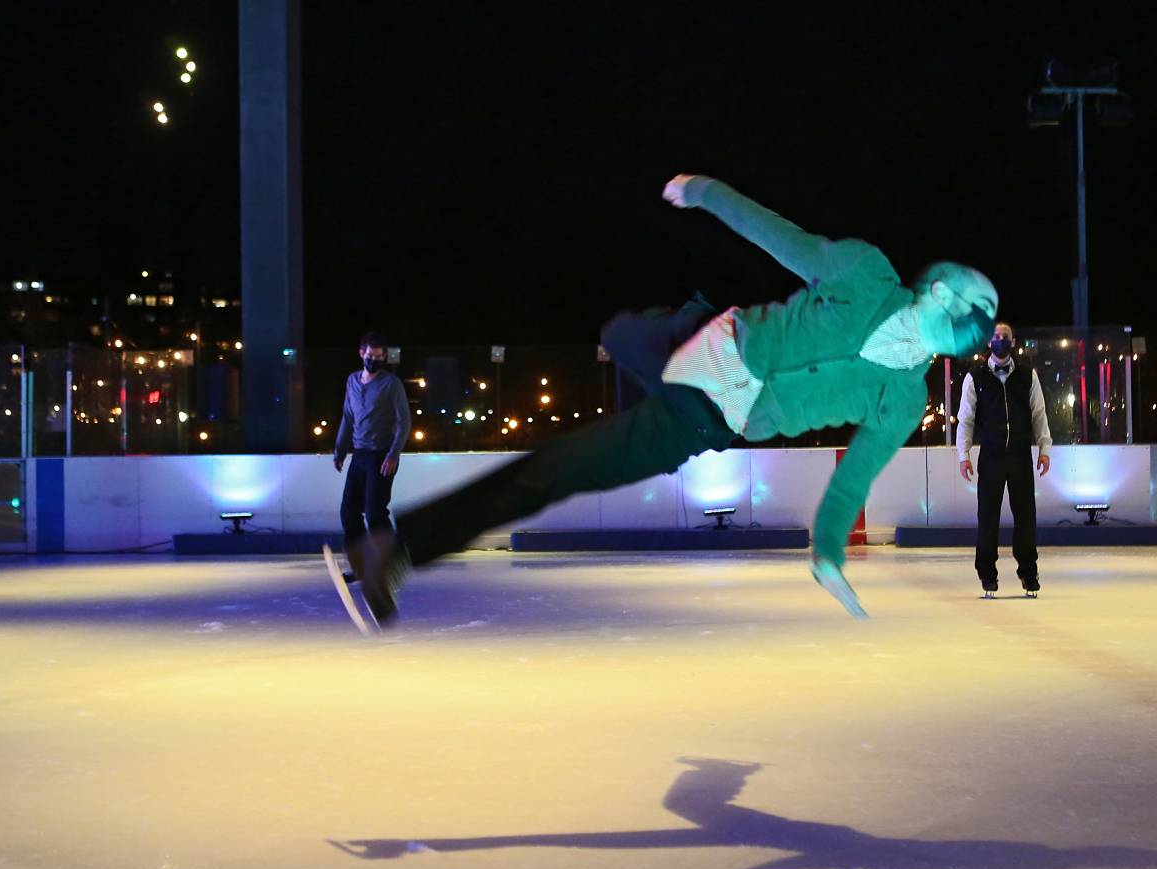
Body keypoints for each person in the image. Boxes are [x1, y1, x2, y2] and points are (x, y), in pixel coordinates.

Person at [352, 174, 998, 625]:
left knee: (559, 470)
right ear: (940, 292)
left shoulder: (904, 397)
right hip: (703, 346)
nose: (979, 326)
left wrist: (827, 549)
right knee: (617, 332)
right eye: (975, 307)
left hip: (709, 415)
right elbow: (779, 236)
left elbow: (853, 479)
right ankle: (637, 331)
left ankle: (397, 553)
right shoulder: (866, 273)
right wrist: (706, 193)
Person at [956, 322, 1051, 597]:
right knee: (987, 516)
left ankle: (1028, 572)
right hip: (992, 456)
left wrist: (1044, 448)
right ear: (989, 342)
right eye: (996, 337)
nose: (1000, 341)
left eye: (1005, 337)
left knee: (1026, 516)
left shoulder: (1027, 375)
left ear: (1013, 341)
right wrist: (964, 455)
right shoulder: (975, 377)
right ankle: (987, 574)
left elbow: (1039, 414)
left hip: (1020, 455)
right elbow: (966, 420)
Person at [334, 332, 411, 582]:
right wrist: (340, 450)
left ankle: (392, 560)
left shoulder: (391, 384)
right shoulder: (352, 381)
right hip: (359, 454)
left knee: (375, 512)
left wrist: (393, 454)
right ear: (361, 354)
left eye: (379, 357)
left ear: (385, 357)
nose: (373, 361)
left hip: (382, 456)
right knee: (349, 511)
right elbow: (347, 416)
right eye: (370, 356)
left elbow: (404, 422)